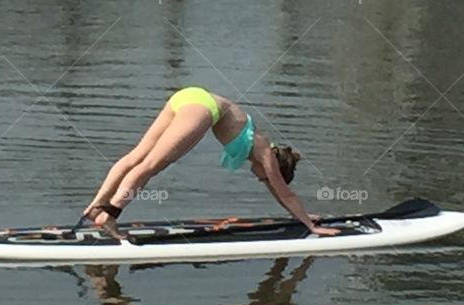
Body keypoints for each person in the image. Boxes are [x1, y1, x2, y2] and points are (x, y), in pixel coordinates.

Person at [82, 86, 340, 239]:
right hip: (202, 109)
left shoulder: (263, 147)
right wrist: (310, 226)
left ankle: (95, 207)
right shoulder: (266, 153)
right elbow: (284, 191)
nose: (260, 178)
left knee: (136, 156)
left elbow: (278, 191)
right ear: (276, 168)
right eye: (263, 177)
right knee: (151, 165)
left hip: (189, 95)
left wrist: (302, 215)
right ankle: (110, 215)